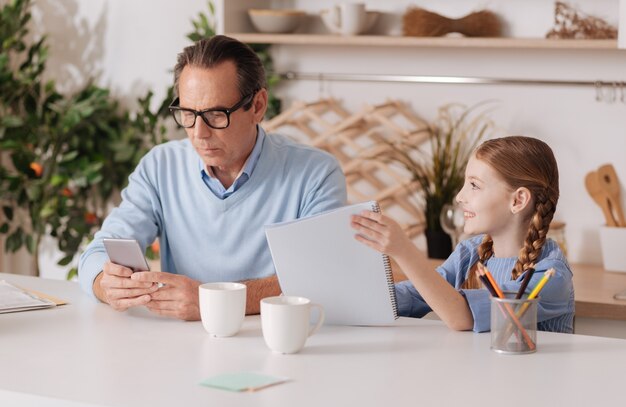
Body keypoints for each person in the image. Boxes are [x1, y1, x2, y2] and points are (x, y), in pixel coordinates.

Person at [78, 35, 347, 320]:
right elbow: (97, 253)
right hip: (182, 345)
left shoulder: (316, 174)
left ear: (258, 105)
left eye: (216, 115)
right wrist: (106, 284)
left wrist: (212, 300)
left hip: (273, 345)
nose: (199, 133)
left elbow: (321, 280)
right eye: (188, 113)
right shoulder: (160, 165)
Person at [351, 136, 574, 333]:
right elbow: (417, 294)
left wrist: (404, 250)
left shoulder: (552, 274)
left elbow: (462, 317)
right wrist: (348, 298)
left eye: (474, 185)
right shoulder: (470, 253)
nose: (459, 196)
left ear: (518, 200)